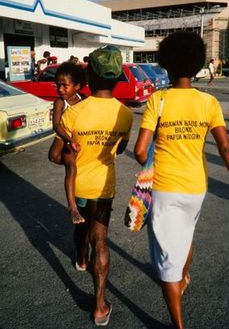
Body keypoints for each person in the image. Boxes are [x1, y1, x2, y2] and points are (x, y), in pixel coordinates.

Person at [134, 31, 229, 329]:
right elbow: (227, 149)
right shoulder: (208, 102)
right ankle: (184, 276)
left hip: (164, 188)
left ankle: (178, 317)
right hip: (196, 187)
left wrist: (154, 156)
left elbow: (139, 152)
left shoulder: (158, 100)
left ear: (166, 64)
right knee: (185, 233)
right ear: (197, 63)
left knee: (166, 268)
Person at [60, 45, 133, 326]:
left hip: (78, 184)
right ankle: (100, 306)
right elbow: (122, 148)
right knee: (100, 238)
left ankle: (80, 259)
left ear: (89, 74)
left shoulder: (75, 112)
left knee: (81, 227)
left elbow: (59, 154)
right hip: (104, 186)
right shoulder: (124, 114)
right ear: (117, 78)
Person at [48, 62, 87, 225]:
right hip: (63, 138)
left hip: (73, 142)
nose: (60, 89)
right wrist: (69, 140)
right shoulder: (59, 102)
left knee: (72, 168)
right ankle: (73, 207)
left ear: (77, 86)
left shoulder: (84, 100)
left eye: (65, 85)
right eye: (58, 85)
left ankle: (73, 208)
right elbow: (56, 125)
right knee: (53, 157)